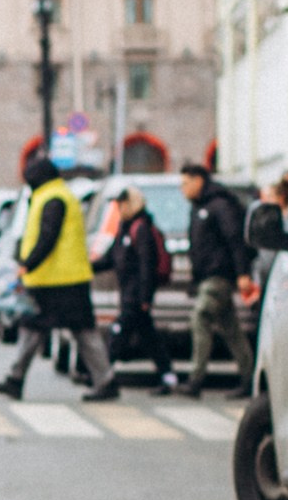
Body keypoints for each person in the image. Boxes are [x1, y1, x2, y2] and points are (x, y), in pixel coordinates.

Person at [0, 155, 119, 402]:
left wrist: (28, 264)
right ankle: (17, 378)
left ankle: (104, 380)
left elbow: (48, 235)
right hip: (60, 278)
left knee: (69, 329)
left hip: (58, 279)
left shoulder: (53, 197)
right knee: (53, 328)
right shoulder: (56, 194)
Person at [181, 161, 255, 398]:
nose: (183, 189)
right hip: (207, 276)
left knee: (200, 317)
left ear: (198, 180)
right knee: (231, 329)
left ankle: (195, 379)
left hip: (219, 275)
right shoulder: (198, 207)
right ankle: (249, 378)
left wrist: (243, 272)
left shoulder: (219, 205)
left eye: (185, 183)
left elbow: (234, 239)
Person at [93, 185, 177, 394]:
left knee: (118, 333)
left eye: (121, 204)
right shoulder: (124, 228)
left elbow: (147, 265)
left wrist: (145, 297)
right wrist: (86, 268)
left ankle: (102, 377)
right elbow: (110, 258)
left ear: (131, 204)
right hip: (129, 293)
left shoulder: (141, 228)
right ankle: (168, 376)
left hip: (136, 295)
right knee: (149, 338)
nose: (118, 208)